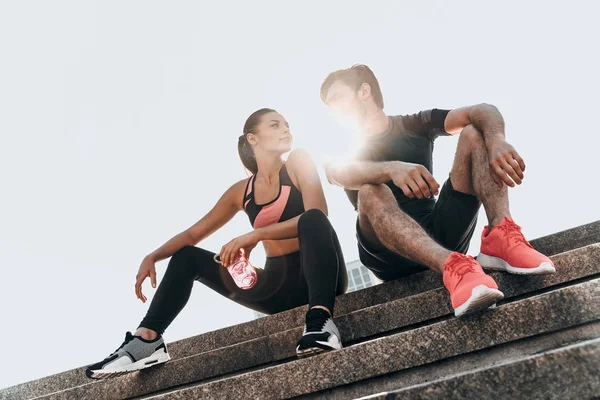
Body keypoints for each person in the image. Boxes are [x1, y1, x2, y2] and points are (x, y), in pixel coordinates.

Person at [86, 108, 348, 379]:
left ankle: (320, 323)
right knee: (186, 257)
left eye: (287, 125)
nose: (286, 130)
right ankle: (147, 340)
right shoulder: (242, 192)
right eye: (275, 125)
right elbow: (192, 235)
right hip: (277, 287)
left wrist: (255, 235)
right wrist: (152, 256)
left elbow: (318, 214)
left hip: (322, 279)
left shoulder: (298, 161)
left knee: (313, 219)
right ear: (253, 139)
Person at [319, 64, 554, 317]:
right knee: (369, 191)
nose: (332, 109)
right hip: (387, 253)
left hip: (441, 232)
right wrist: (392, 169)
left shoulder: (414, 124)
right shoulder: (342, 150)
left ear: (363, 91)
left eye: (336, 98)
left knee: (475, 131)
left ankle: (500, 234)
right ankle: (452, 267)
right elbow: (338, 174)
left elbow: (482, 110)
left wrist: (496, 139)